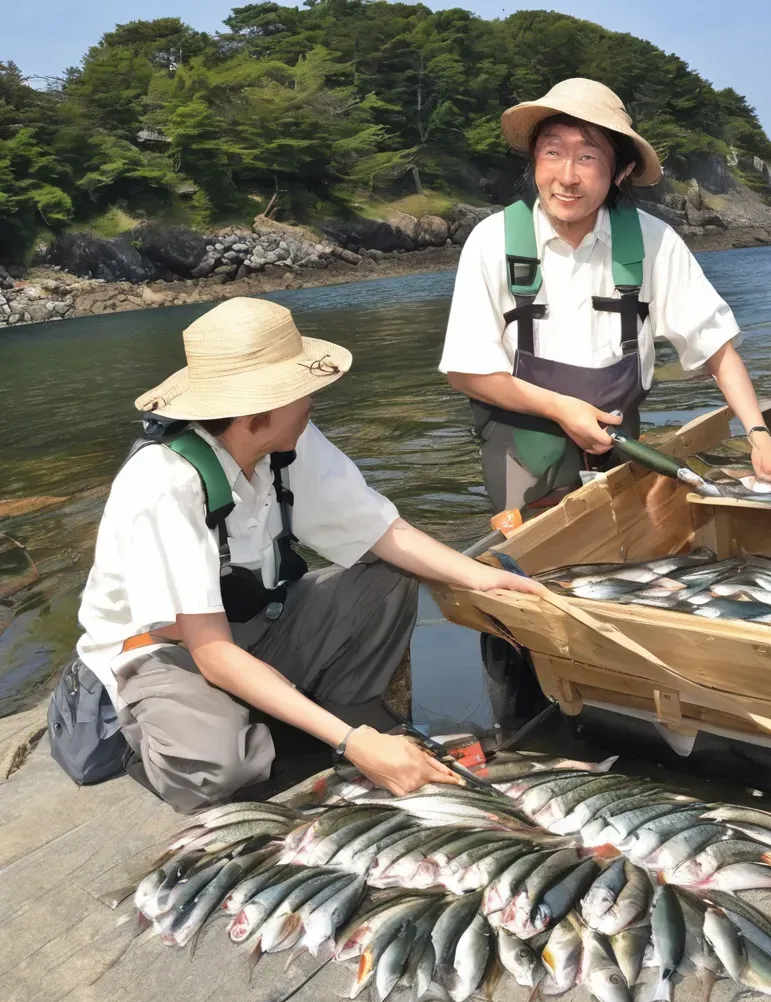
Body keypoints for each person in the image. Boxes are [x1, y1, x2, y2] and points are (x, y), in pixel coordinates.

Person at [67, 296, 543, 813]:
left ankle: (340, 710)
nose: (313, 398)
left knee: (390, 576)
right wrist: (350, 743)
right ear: (256, 413)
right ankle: (169, 731)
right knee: (221, 772)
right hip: (167, 649)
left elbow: (383, 531)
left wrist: (482, 577)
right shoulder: (164, 483)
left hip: (257, 620)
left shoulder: (289, 439)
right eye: (300, 390)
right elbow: (211, 652)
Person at [439, 77, 771, 513]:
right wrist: (561, 409)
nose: (567, 177)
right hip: (521, 446)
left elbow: (715, 345)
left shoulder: (653, 241)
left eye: (588, 157)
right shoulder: (492, 240)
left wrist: (758, 437)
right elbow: (465, 372)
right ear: (535, 157)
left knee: (628, 544)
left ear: (621, 172)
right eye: (553, 151)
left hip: (619, 440)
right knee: (536, 557)